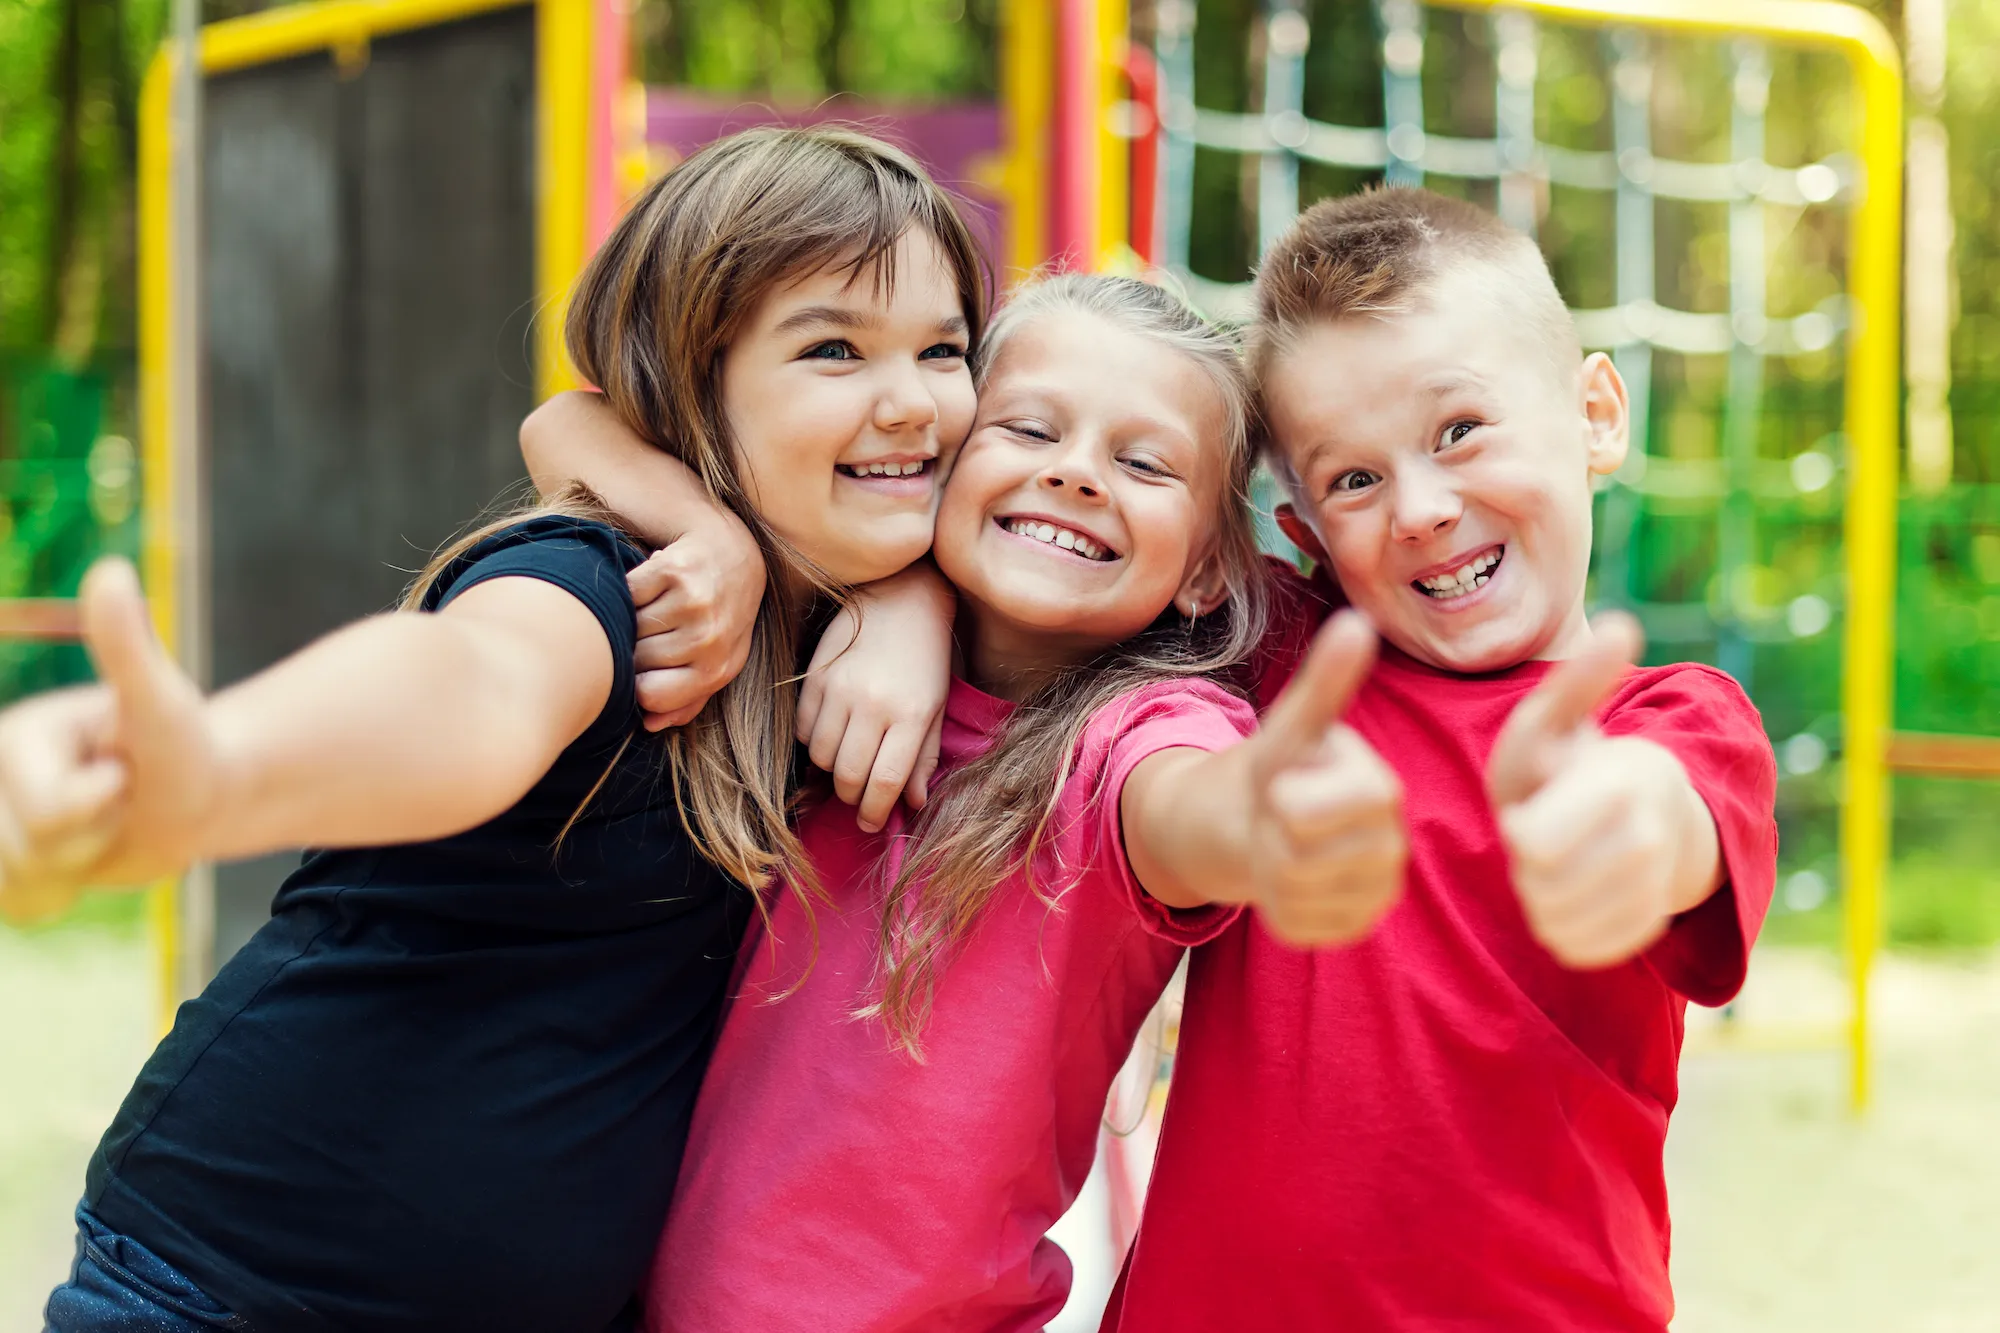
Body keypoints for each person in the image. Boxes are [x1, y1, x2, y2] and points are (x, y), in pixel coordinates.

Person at [0, 126, 986, 1333]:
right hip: (233, 1286)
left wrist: (914, 600)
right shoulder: (612, 592)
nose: (911, 400)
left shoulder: (858, 616)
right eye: (831, 347)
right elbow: (474, 684)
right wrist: (225, 769)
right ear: (690, 387)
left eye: (944, 348)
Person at [525, 272, 1400, 1332]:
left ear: (1207, 571)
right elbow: (564, 424)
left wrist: (1264, 822)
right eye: (1028, 429)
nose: (1075, 475)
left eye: (1141, 463)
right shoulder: (813, 614)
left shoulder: (1136, 732)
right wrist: (877, 586)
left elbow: (1183, 807)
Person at [1100, 186, 1781, 1332]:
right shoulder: (1275, 656)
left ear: (1595, 414)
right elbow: (1034, 574)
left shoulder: (1671, 722)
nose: (1417, 507)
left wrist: (1614, 826)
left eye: (1458, 430)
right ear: (1304, 535)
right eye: (1352, 479)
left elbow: (1667, 819)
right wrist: (902, 622)